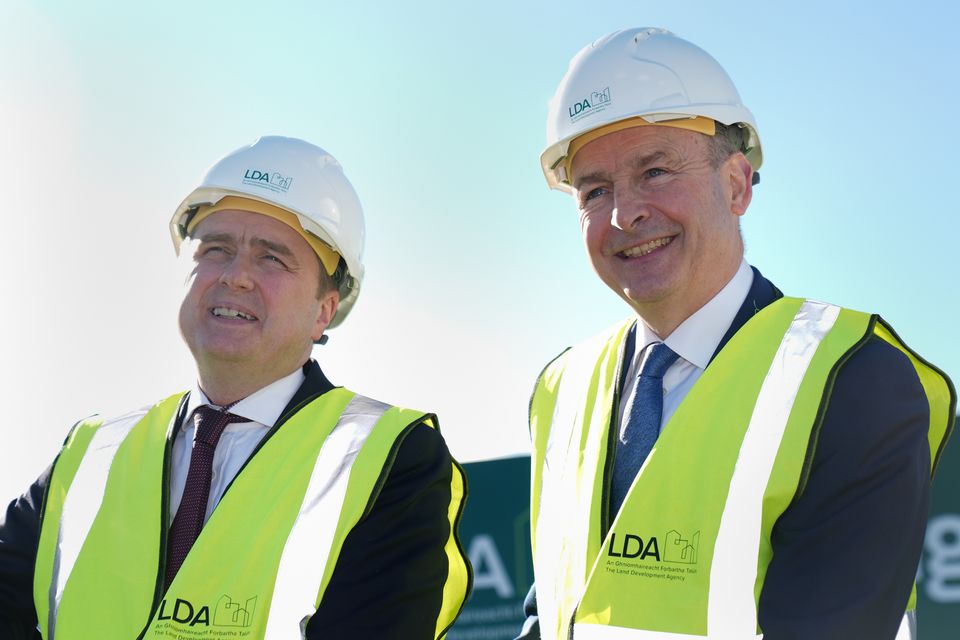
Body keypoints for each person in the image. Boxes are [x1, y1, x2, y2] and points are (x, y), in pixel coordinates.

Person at [518, 28, 955, 640]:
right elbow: (555, 615)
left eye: (656, 171)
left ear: (736, 184)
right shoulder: (561, 391)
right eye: (595, 191)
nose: (624, 214)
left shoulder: (853, 377)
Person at [0, 135, 471, 639]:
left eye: (272, 258)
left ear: (324, 311)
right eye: (216, 248)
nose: (236, 276)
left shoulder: (390, 457)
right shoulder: (91, 452)